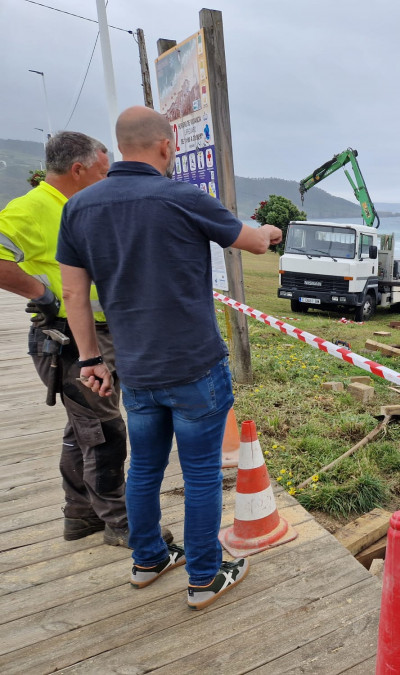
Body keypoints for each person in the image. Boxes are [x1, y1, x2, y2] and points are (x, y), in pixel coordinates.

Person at [57, 106, 283, 609]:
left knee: (144, 470)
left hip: (133, 369)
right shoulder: (183, 197)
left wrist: (91, 360)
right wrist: (269, 231)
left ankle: (149, 558)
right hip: (194, 367)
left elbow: (74, 296)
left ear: (119, 148)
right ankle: (204, 576)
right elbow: (252, 243)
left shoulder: (79, 208)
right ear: (165, 146)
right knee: (201, 473)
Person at [0, 131, 143, 546]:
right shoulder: (30, 209)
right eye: (102, 171)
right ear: (78, 170)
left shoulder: (78, 206)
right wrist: (38, 292)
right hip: (69, 339)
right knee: (104, 430)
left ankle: (80, 516)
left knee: (81, 426)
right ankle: (121, 524)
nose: (107, 178)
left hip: (95, 333)